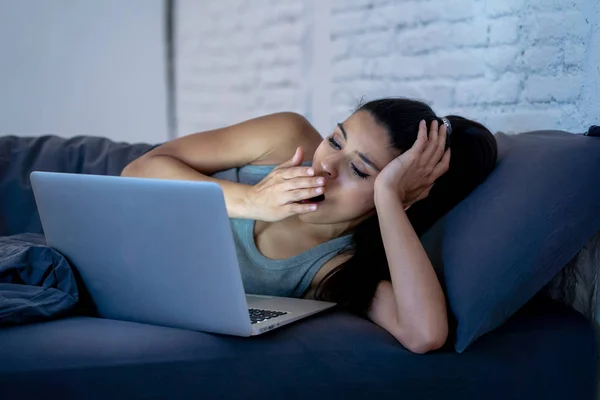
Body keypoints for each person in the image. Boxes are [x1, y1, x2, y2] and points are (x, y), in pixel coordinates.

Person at [121, 98, 498, 354]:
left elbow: (425, 334)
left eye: (358, 169)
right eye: (336, 140)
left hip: (128, 300)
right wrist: (251, 201)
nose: (326, 166)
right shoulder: (285, 138)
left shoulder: (333, 268)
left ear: (402, 196)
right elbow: (137, 171)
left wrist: (388, 197)